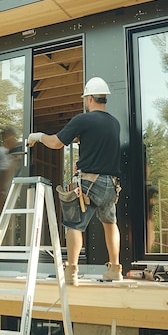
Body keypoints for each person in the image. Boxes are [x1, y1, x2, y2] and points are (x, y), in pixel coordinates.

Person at [27, 77, 122, 285]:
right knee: (110, 223)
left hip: (90, 183)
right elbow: (99, 146)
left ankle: (71, 271)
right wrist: (81, 140)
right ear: (104, 98)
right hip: (110, 185)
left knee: (74, 225)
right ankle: (115, 269)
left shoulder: (83, 120)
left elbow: (55, 143)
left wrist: (39, 136)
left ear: (89, 98)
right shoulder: (114, 123)